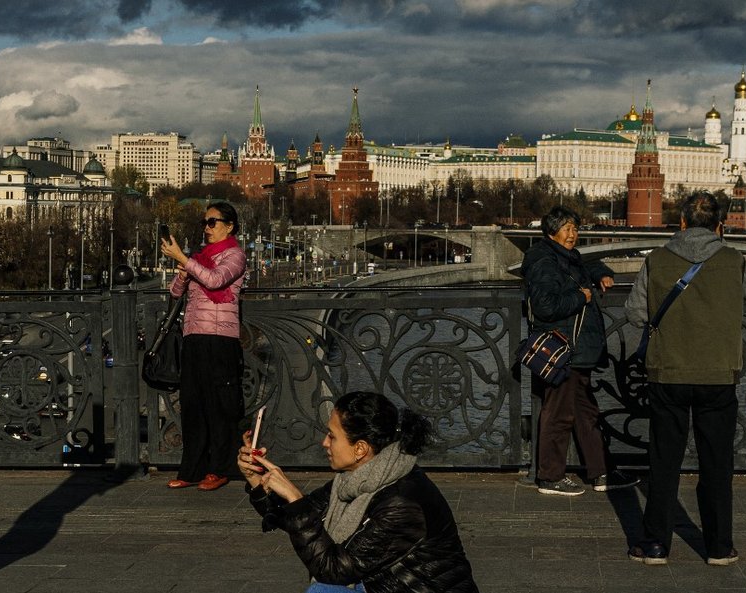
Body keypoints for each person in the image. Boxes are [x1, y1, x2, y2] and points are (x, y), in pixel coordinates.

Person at [624, 192, 746, 566]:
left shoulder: (656, 260)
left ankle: (654, 545)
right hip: (718, 374)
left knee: (664, 460)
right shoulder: (735, 260)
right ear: (720, 225)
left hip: (666, 373)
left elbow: (636, 314)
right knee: (717, 463)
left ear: (681, 223)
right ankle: (718, 547)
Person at [239, 391, 479, 593]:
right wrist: (257, 481)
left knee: (323, 591)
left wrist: (295, 497)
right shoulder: (354, 479)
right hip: (381, 585)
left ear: (360, 449)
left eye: (332, 436)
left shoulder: (401, 503)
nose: (325, 443)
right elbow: (295, 518)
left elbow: (333, 570)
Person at [521, 206, 640, 496]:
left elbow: (583, 267)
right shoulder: (542, 261)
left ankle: (601, 472)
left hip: (577, 350)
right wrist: (580, 296)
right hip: (563, 348)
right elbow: (546, 306)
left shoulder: (564, 256)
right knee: (559, 412)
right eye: (567, 228)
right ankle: (550, 476)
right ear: (552, 232)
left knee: (587, 414)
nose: (573, 234)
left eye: (575, 228)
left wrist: (601, 273)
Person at [161, 201, 246, 491]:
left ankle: (219, 469)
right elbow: (175, 292)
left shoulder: (235, 255)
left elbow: (215, 280)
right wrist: (184, 269)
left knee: (220, 406)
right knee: (192, 404)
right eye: (205, 223)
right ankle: (192, 469)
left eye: (213, 222)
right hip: (194, 336)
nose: (207, 228)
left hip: (221, 339)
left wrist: (185, 260)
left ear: (229, 226)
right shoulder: (200, 257)